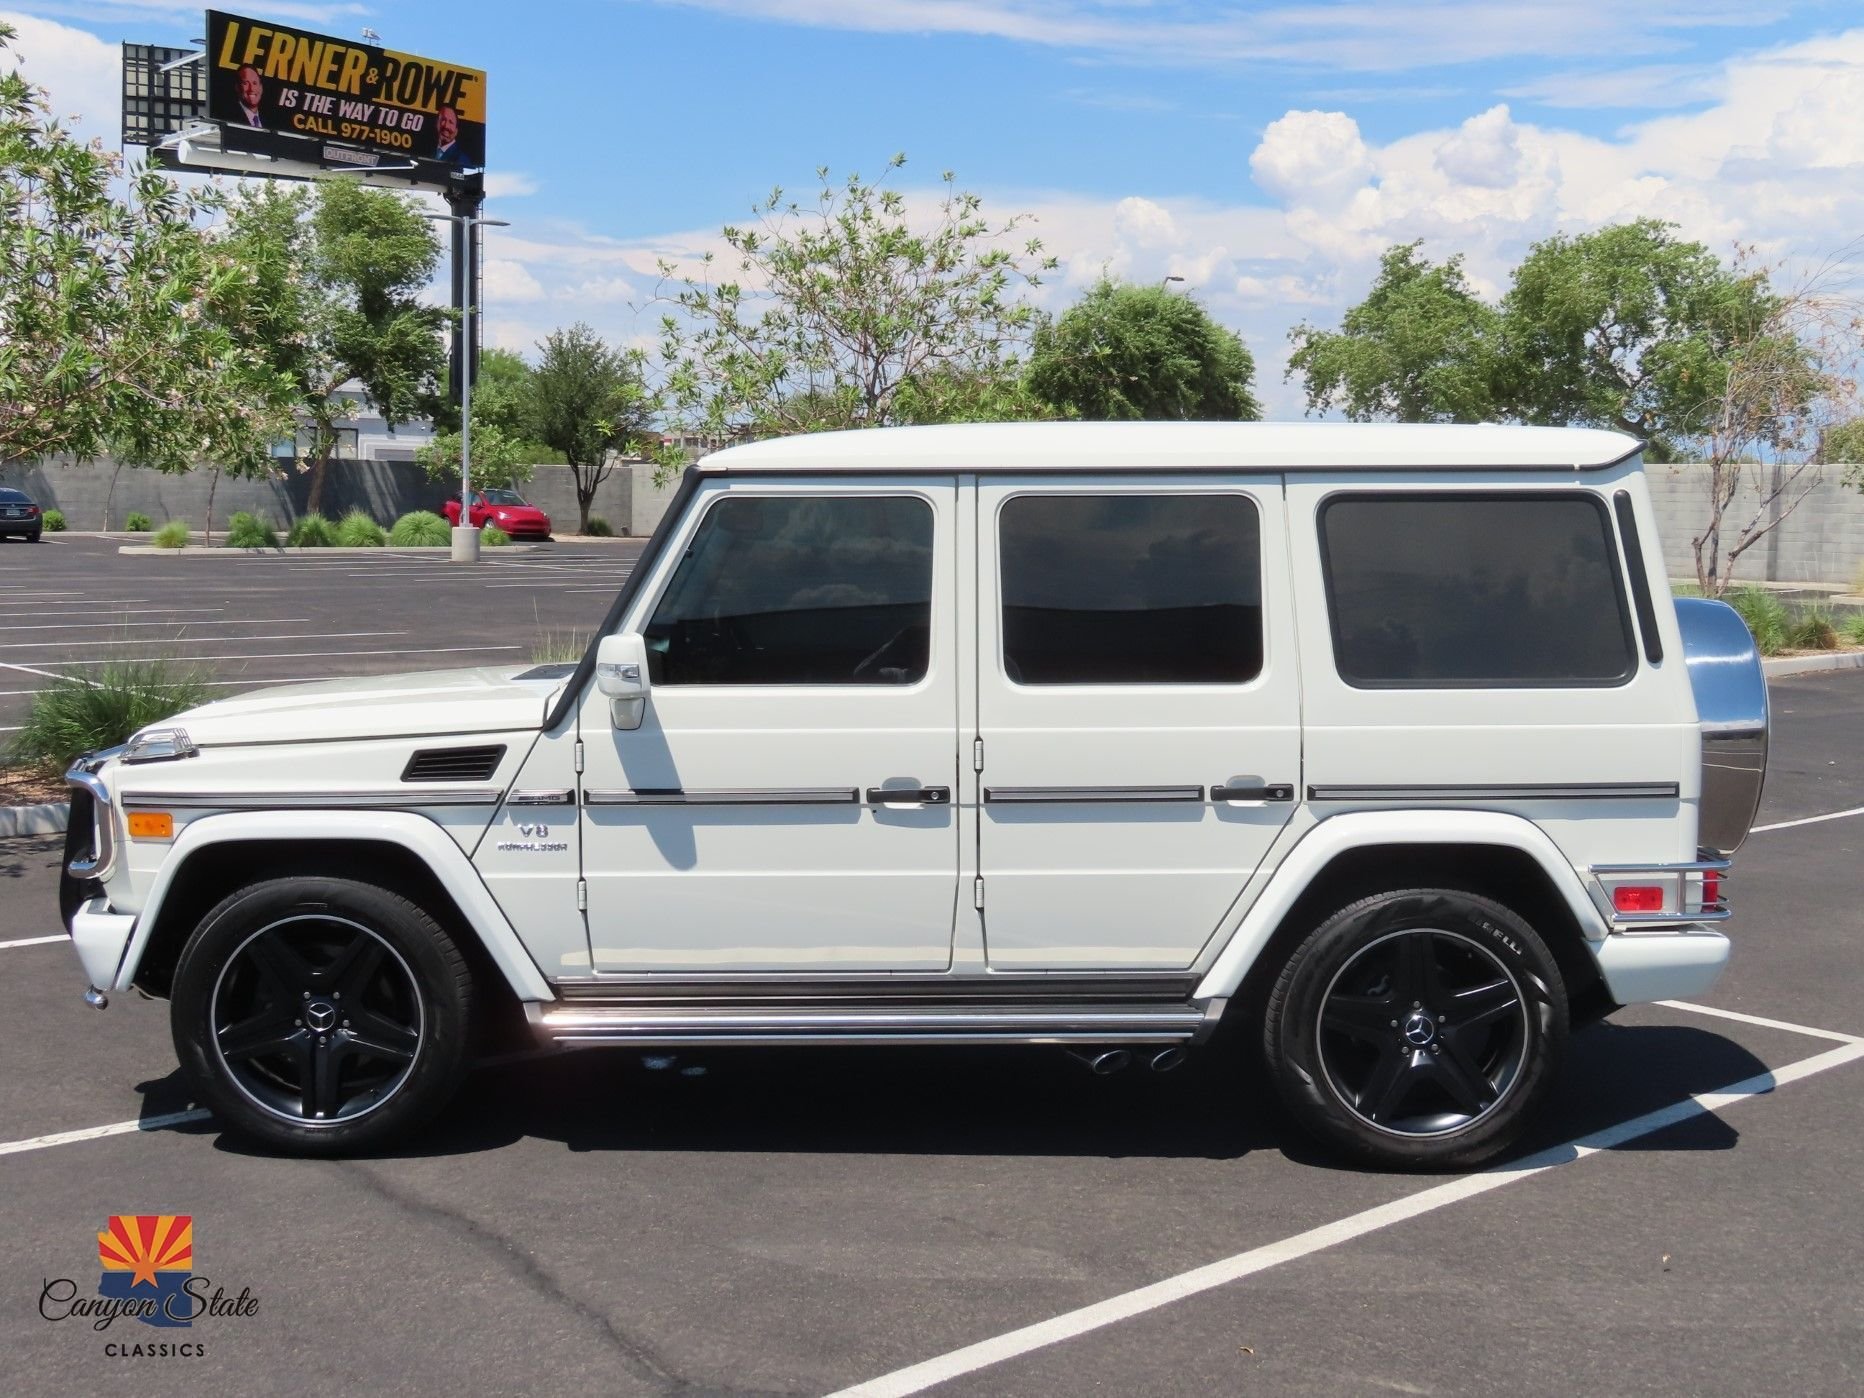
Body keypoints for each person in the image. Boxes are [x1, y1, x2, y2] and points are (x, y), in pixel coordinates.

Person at [234, 63, 266, 128]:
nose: (251, 88)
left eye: (254, 83)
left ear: (261, 87)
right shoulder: (231, 117)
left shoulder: (270, 120)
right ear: (237, 87)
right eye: (245, 83)